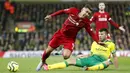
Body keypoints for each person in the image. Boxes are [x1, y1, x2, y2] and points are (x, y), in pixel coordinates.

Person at [36, 5, 99, 71]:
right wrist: (51, 15)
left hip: (70, 39)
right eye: (86, 11)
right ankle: (43, 61)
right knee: (48, 51)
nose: (87, 14)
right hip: (60, 35)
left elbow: (91, 33)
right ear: (82, 9)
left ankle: (62, 51)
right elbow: (62, 11)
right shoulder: (73, 10)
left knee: (66, 56)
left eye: (88, 13)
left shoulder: (86, 22)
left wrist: (98, 42)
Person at [42, 28, 118, 71]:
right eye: (99, 34)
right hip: (90, 59)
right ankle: (48, 67)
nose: (99, 36)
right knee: (70, 61)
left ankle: (88, 69)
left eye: (102, 34)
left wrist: (116, 66)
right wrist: (83, 55)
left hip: (101, 62)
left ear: (107, 35)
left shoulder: (111, 44)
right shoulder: (95, 43)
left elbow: (114, 56)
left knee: (108, 62)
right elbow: (91, 54)